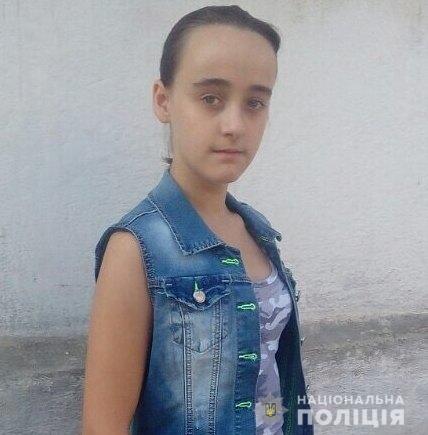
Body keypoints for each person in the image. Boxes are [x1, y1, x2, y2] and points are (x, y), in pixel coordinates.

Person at [82, 5, 313, 435]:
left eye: (255, 102)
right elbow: (103, 427)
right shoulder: (135, 249)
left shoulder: (257, 232)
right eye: (211, 98)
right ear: (163, 100)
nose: (234, 125)